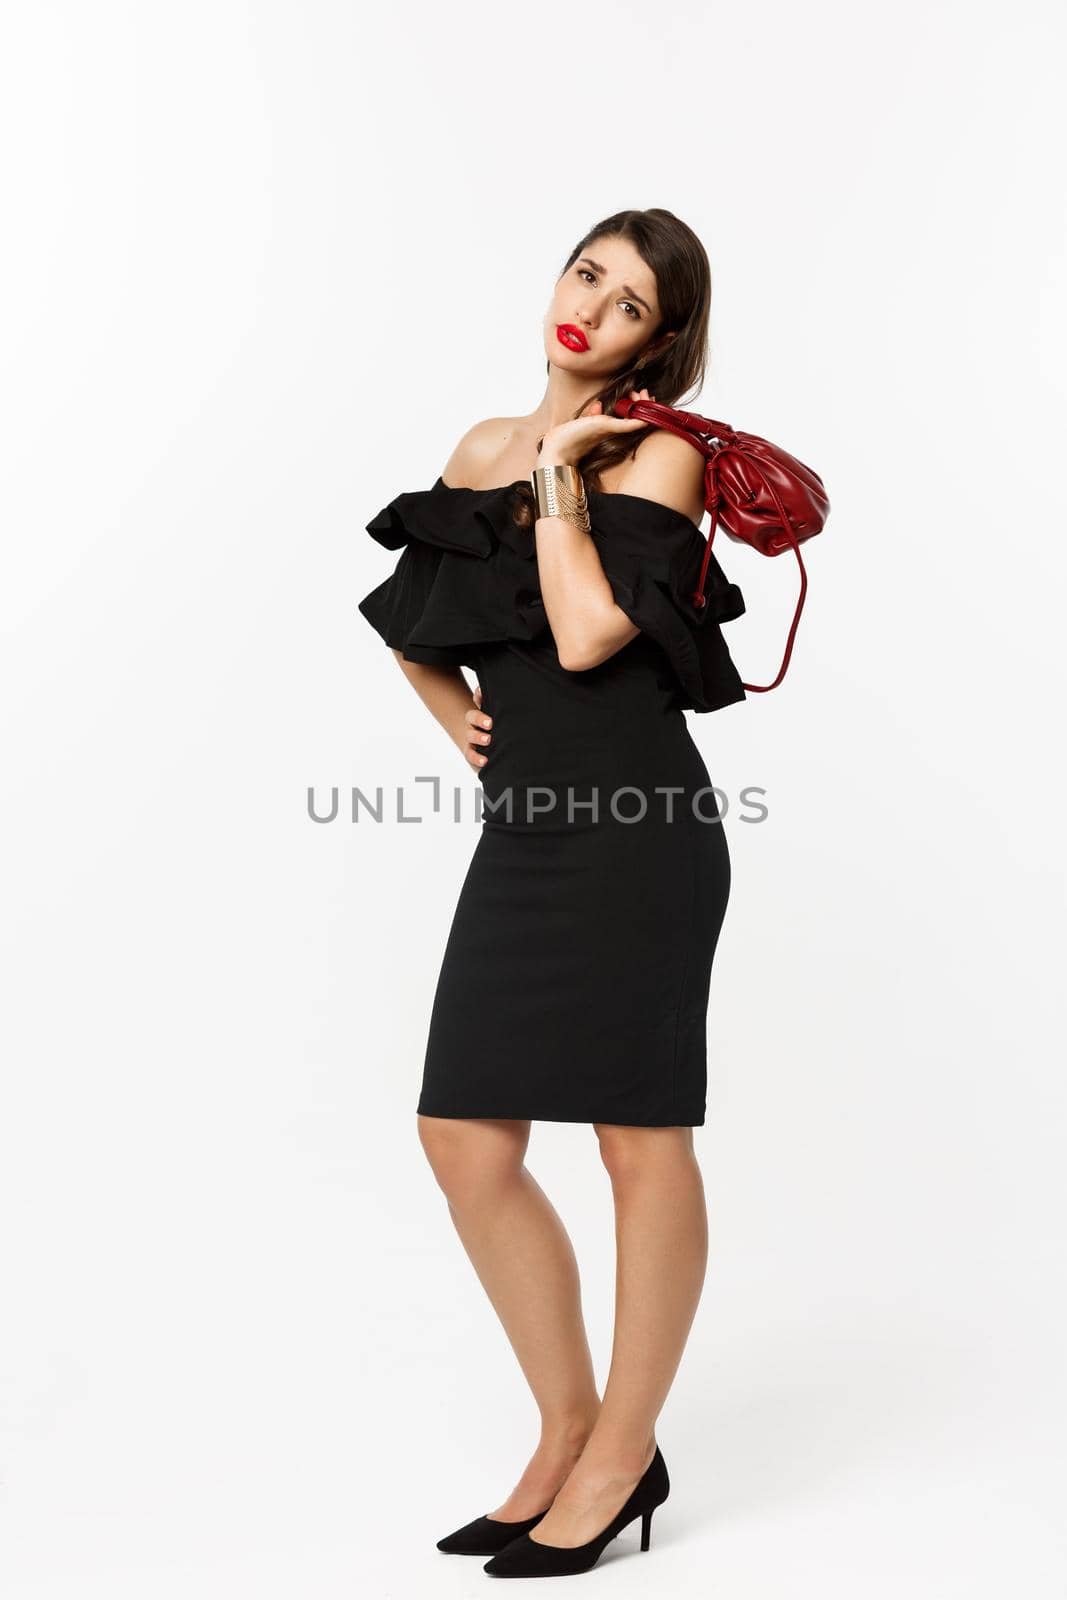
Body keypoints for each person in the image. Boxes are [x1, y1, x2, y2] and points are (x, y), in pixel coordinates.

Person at [357, 208, 748, 1579]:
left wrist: (573, 476)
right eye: (586, 272)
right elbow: (413, 616)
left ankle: (622, 1455)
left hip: (639, 830)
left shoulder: (666, 456)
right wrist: (445, 710)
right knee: (464, 1137)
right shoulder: (479, 449)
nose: (590, 306)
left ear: (663, 340)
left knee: (637, 1143)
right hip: (525, 832)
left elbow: (586, 634)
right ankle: (568, 1425)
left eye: (630, 301)